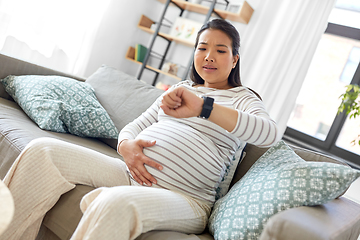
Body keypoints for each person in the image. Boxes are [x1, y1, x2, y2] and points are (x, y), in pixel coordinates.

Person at [1, 19, 278, 240]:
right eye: (202, 47)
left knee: (116, 203)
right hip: (129, 171)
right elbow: (135, 126)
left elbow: (269, 134)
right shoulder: (182, 89)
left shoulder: (243, 99)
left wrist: (204, 108)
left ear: (234, 60)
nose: (209, 56)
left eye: (220, 50)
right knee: (42, 151)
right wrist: (126, 147)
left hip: (186, 198)